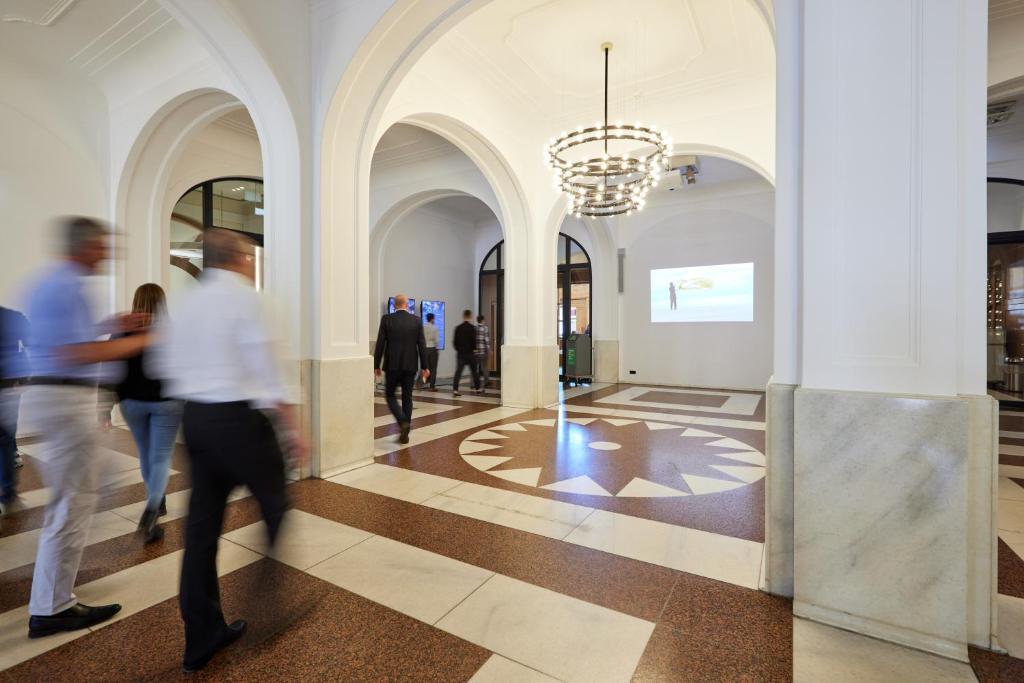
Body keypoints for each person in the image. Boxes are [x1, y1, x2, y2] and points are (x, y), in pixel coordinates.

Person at [150, 228, 306, 673]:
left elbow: (164, 365)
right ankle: (267, 597)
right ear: (241, 258)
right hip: (240, 421)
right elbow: (268, 370)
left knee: (201, 531)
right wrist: (294, 428)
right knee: (275, 504)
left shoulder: (184, 304)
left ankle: (201, 638)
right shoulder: (247, 299)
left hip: (197, 420)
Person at [21, 217, 151, 638]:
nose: (107, 252)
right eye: (102, 245)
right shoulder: (68, 286)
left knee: (74, 498)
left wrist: (111, 326)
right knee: (74, 503)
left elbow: (65, 339)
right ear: (85, 246)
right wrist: (143, 341)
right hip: (65, 398)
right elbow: (73, 353)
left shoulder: (53, 282)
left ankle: (50, 598)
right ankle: (53, 607)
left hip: (53, 395)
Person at [104, 284, 182, 543]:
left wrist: (105, 408)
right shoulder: (172, 330)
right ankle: (153, 506)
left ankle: (155, 499)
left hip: (131, 403)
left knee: (146, 453)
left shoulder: (121, 331)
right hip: (168, 402)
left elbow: (110, 369)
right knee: (161, 456)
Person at [373, 294, 429, 444]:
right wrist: (425, 367)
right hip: (410, 365)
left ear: (394, 305)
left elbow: (380, 343)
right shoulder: (416, 321)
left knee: (390, 395)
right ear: (407, 305)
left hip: (392, 365)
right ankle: (405, 432)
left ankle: (402, 421)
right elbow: (422, 345)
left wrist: (376, 365)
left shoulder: (387, 319)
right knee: (407, 397)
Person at [0, 305, 30, 513]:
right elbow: (32, 343)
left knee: (5, 438)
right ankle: (8, 493)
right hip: (9, 385)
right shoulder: (13, 316)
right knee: (6, 438)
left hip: (9, 386)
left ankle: (8, 492)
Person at [452, 309, 479, 398]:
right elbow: (474, 341)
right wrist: (474, 349)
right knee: (474, 372)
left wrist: (459, 349)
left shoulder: (458, 328)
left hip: (461, 354)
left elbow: (454, 342)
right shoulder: (472, 328)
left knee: (458, 372)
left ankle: (455, 390)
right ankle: (477, 388)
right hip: (470, 354)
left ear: (463, 316)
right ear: (470, 316)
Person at [420, 312, 439, 391]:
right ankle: (431, 386)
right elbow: (436, 340)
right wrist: (437, 349)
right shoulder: (435, 328)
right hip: (432, 349)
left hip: (425, 349)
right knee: (433, 368)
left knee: (425, 367)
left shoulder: (423, 327)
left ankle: (422, 383)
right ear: (432, 319)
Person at [474, 314, 491, 395]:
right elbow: (486, 340)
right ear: (482, 320)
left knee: (475, 368)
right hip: (483, 352)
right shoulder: (485, 328)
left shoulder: (475, 328)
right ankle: (486, 382)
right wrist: (489, 350)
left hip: (476, 352)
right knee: (484, 367)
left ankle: (473, 384)